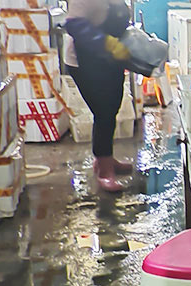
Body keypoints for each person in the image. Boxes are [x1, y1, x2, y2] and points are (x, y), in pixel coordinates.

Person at [65, 0, 134, 193]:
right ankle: (104, 170)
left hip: (108, 59)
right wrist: (107, 43)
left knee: (112, 107)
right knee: (104, 111)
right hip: (86, 61)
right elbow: (75, 25)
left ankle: (105, 158)